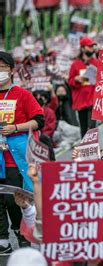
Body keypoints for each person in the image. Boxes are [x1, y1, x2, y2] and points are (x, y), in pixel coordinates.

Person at [0, 51, 45, 252]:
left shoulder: (22, 94)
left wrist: (16, 128)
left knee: (13, 199)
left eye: (2, 68)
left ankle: (21, 233)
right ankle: (2, 239)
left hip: (14, 159)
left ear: (11, 70)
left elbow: (39, 121)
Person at [67, 37, 98, 137]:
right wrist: (76, 79)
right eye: (89, 46)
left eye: (93, 46)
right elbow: (70, 82)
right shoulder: (75, 65)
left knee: (92, 127)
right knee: (84, 129)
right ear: (83, 48)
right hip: (81, 101)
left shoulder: (97, 63)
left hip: (93, 101)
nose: (92, 48)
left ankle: (92, 149)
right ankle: (85, 149)